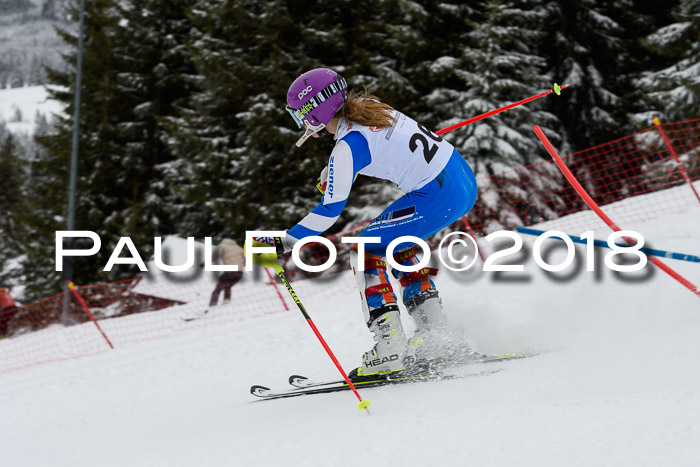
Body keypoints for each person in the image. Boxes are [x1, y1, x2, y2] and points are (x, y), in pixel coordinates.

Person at [251, 68, 478, 377]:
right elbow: (382, 148)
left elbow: (329, 212)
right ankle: (436, 336)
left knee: (366, 250)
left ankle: (391, 348)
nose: (302, 125)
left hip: (437, 191)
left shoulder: (347, 148)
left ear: (314, 112)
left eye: (300, 117)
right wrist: (334, 171)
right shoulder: (371, 108)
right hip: (458, 177)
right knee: (395, 247)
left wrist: (284, 242)